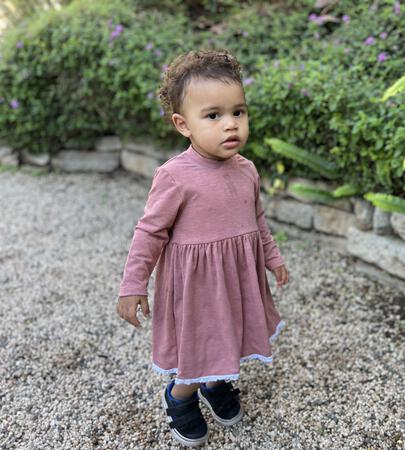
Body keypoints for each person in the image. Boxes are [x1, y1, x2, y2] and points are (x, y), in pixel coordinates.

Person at [116, 48, 289, 447]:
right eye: (213, 115)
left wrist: (272, 258)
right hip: (195, 285)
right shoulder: (175, 176)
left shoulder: (246, 169)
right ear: (183, 124)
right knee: (198, 344)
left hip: (235, 277)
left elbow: (257, 219)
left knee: (228, 333)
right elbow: (149, 232)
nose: (231, 124)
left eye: (238, 112)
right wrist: (133, 284)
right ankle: (180, 397)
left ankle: (216, 384)